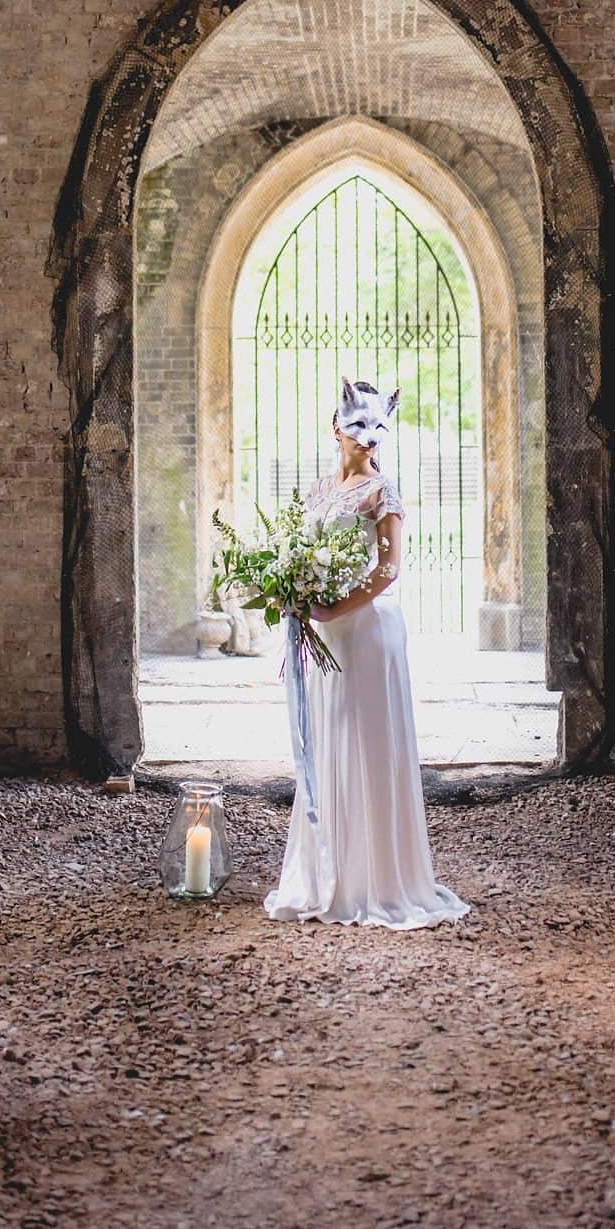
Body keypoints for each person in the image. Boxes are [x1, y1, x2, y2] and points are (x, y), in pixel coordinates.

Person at [263, 377, 470, 931]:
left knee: (368, 743)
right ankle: (329, 872)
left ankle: (378, 880)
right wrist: (295, 593)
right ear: (336, 428)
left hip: (368, 633)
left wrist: (334, 609)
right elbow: (301, 552)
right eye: (358, 426)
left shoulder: (384, 494)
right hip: (329, 635)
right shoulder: (317, 490)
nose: (370, 437)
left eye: (380, 427)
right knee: (330, 739)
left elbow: (389, 570)